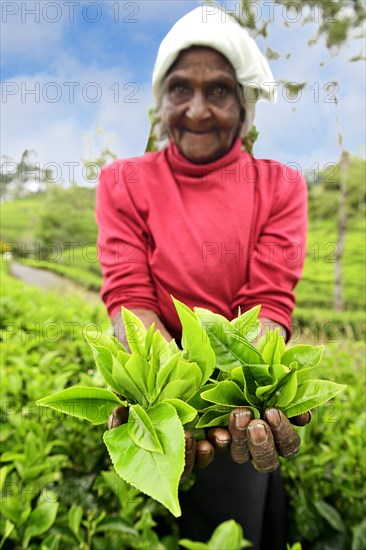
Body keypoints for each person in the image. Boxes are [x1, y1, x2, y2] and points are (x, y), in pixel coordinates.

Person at [96, 6, 310, 549]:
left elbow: (267, 303)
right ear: (160, 100)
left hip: (231, 407)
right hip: (161, 391)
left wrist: (233, 397)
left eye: (217, 91)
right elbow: (130, 297)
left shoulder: (279, 187)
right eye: (179, 89)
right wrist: (170, 392)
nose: (196, 109)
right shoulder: (123, 182)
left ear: (244, 105)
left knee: (234, 523)